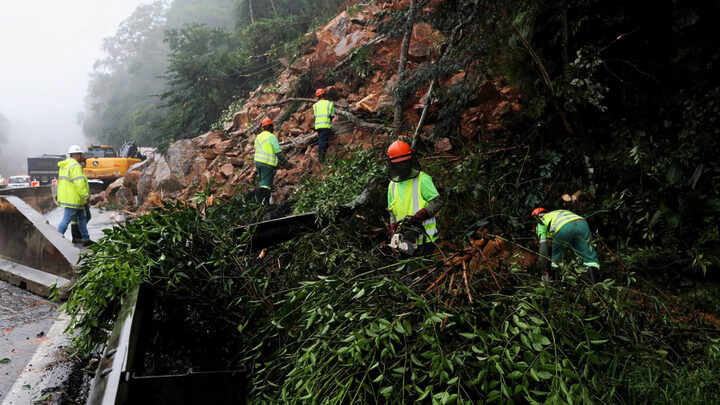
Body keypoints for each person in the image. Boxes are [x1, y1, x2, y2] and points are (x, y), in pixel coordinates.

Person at [386, 140, 443, 285]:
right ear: (392, 165)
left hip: (425, 238)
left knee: (418, 277)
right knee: (405, 274)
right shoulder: (392, 186)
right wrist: (392, 227)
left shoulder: (422, 179)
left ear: (411, 160)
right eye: (398, 163)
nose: (402, 166)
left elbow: (437, 201)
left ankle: (418, 301)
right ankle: (410, 301)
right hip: (405, 239)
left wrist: (422, 214)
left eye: (405, 162)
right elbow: (392, 211)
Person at [532, 207, 600, 283]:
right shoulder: (557, 213)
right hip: (582, 223)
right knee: (589, 257)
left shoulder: (542, 221)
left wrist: (544, 270)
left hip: (564, 227)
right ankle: (595, 286)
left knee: (556, 261)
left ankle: (557, 286)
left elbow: (543, 250)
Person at [57, 145, 93, 246]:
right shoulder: (75, 166)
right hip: (74, 198)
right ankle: (56, 241)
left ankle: (86, 239)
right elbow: (79, 183)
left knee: (82, 217)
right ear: (76, 155)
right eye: (81, 155)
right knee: (66, 219)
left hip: (69, 197)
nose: (82, 157)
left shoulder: (65, 165)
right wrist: (86, 196)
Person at [254, 117, 292, 204]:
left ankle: (262, 202)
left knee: (264, 182)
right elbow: (278, 152)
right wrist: (285, 162)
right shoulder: (272, 137)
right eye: (272, 127)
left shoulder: (258, 137)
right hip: (266, 164)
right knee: (266, 186)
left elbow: (257, 149)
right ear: (271, 126)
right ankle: (262, 205)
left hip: (257, 163)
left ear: (263, 128)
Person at [313, 88, 334, 163]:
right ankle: (321, 159)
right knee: (323, 141)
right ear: (325, 95)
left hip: (318, 126)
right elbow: (332, 115)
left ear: (317, 97)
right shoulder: (330, 104)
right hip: (325, 126)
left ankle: (322, 156)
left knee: (322, 140)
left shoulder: (315, 105)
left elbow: (315, 116)